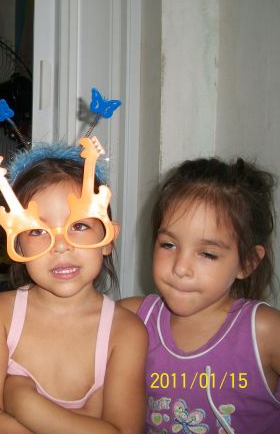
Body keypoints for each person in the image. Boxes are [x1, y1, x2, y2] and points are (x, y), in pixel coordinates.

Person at [0, 138, 148, 433]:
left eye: (79, 225)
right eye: (37, 231)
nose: (61, 246)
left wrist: (25, 403)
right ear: (17, 245)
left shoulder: (126, 333)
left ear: (108, 238)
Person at [120, 157, 280, 433]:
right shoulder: (133, 318)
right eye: (168, 245)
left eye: (207, 253)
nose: (181, 268)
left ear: (248, 262)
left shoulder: (265, 332)